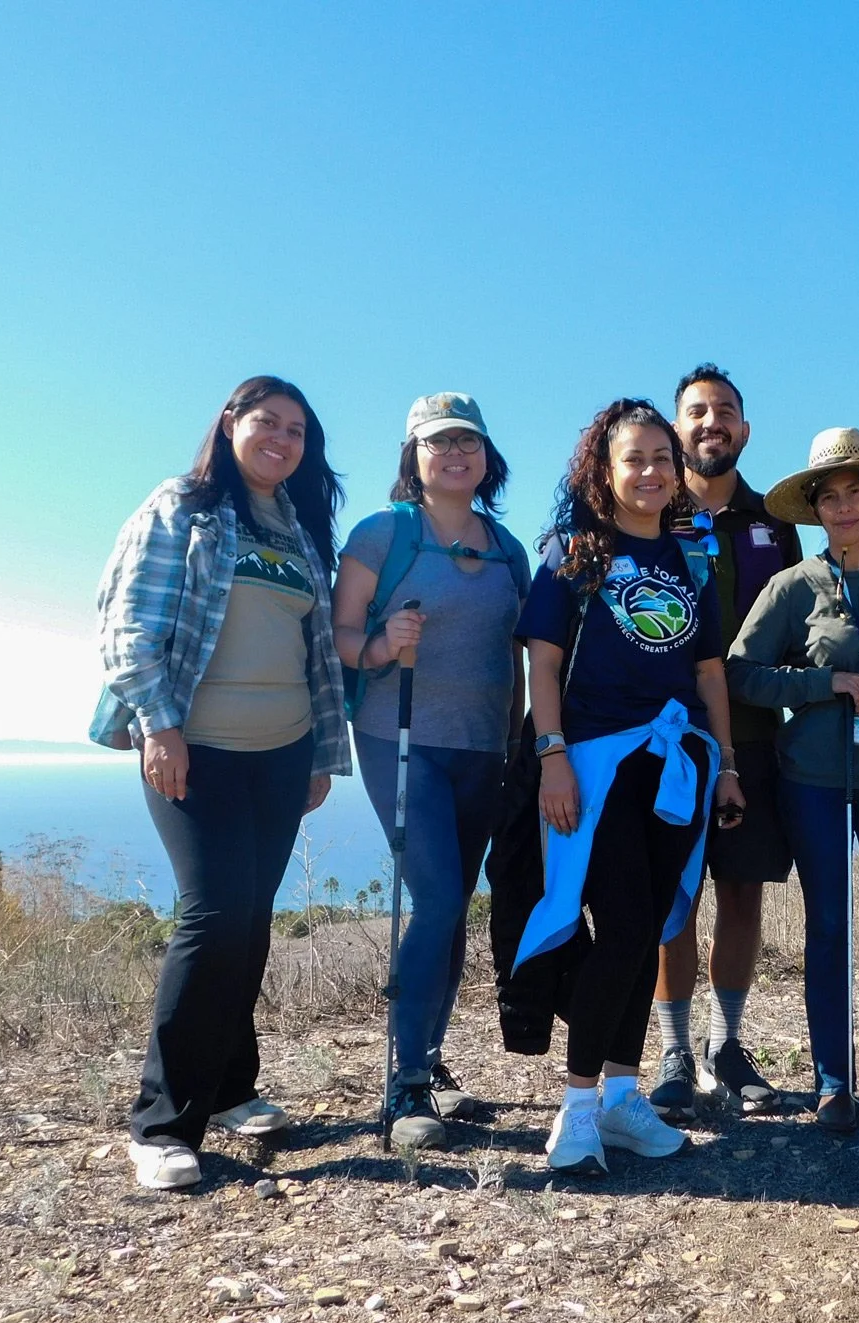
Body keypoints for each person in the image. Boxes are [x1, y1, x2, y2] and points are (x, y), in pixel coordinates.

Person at [90, 376, 351, 1191]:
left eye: (297, 430)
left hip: (282, 751)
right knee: (212, 917)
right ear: (230, 425)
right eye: (266, 422)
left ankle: (233, 1087)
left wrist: (319, 756)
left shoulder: (302, 528)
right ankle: (162, 1123)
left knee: (251, 918)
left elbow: (318, 652)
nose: (281, 438)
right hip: (194, 745)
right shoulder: (183, 505)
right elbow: (125, 619)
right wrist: (158, 726)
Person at [512, 398, 745, 1174]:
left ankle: (619, 1099)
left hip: (676, 767)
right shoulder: (572, 551)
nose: (649, 471)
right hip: (595, 767)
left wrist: (729, 766)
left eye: (660, 458)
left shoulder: (691, 559)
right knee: (619, 926)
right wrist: (551, 755)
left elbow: (708, 672)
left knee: (649, 929)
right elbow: (542, 663)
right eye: (633, 459)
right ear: (604, 473)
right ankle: (576, 1111)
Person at [728, 429, 859, 1150]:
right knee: (829, 932)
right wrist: (824, 684)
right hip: (813, 780)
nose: (843, 506)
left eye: (855, 492)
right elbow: (740, 673)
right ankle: (833, 1083)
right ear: (814, 510)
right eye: (830, 496)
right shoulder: (790, 588)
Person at [332, 393, 530, 1148]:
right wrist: (383, 644)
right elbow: (341, 635)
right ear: (412, 457)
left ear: (486, 459)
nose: (455, 454)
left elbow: (528, 650)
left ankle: (431, 1062)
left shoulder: (506, 547)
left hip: (485, 746)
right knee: (441, 898)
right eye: (437, 442)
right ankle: (404, 1083)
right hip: (398, 734)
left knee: (451, 912)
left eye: (468, 443)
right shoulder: (384, 533)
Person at [650, 364, 802, 1122]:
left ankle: (724, 1047)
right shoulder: (648, 509)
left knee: (741, 892)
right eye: (698, 412)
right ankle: (673, 1053)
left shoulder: (775, 520)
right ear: (678, 427)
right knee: (671, 903)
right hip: (665, 742)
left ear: (745, 428)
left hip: (753, 741)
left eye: (726, 412)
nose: (713, 423)